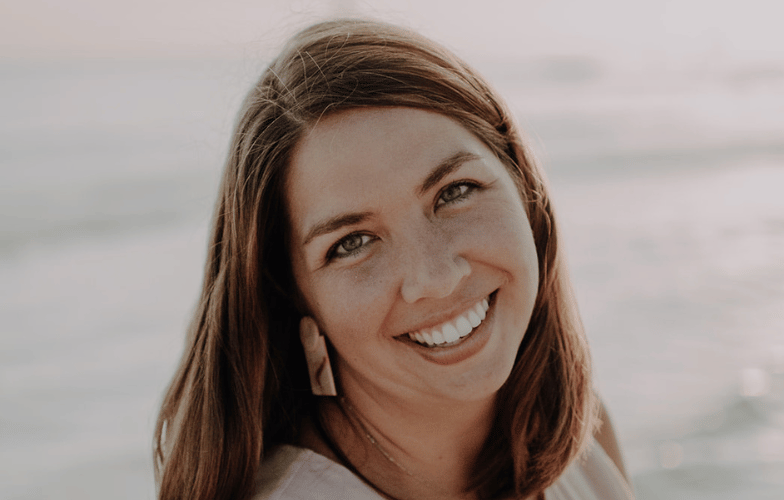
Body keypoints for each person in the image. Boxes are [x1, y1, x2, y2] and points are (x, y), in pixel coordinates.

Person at [153, 18, 634, 500]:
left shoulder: (577, 433)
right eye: (352, 243)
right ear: (294, 296)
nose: (436, 278)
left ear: (522, 188)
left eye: (455, 191)